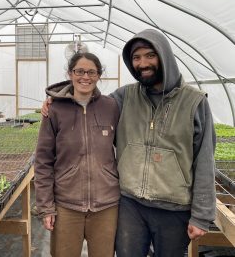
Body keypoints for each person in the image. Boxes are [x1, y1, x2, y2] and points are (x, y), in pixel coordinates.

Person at [41, 29, 216, 257]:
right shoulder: (124, 97)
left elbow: (205, 160)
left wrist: (202, 214)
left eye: (150, 55)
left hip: (174, 208)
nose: (142, 63)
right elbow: (87, 100)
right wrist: (59, 97)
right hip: (130, 206)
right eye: (136, 57)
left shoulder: (194, 102)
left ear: (164, 56)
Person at [34, 52, 120, 257]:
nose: (85, 77)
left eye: (92, 72)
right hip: (66, 204)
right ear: (70, 73)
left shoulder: (111, 106)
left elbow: (124, 148)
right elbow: (43, 160)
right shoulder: (54, 109)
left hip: (106, 204)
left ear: (99, 75)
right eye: (79, 71)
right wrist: (46, 207)